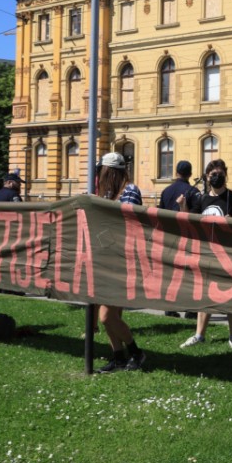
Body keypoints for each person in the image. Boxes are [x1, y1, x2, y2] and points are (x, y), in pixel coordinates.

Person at [181, 159, 232, 350]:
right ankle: (199, 335)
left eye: (219, 174)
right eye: (212, 174)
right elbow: (190, 220)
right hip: (207, 253)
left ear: (225, 175)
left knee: (231, 296)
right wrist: (183, 206)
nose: (216, 177)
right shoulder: (201, 199)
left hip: (228, 255)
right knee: (205, 296)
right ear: (207, 178)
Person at [95, 152, 146, 372]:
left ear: (110, 172)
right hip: (109, 259)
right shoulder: (108, 194)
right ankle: (118, 356)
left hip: (123, 262)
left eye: (102, 172)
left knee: (106, 317)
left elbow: (127, 225)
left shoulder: (130, 191)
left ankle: (136, 352)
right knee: (111, 316)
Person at [158, 160, 203, 319]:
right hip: (187, 237)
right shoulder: (194, 192)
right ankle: (190, 309)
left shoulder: (166, 191)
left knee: (171, 273)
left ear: (176, 172)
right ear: (190, 174)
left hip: (169, 237)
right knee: (189, 274)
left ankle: (169, 307)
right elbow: (197, 217)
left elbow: (160, 215)